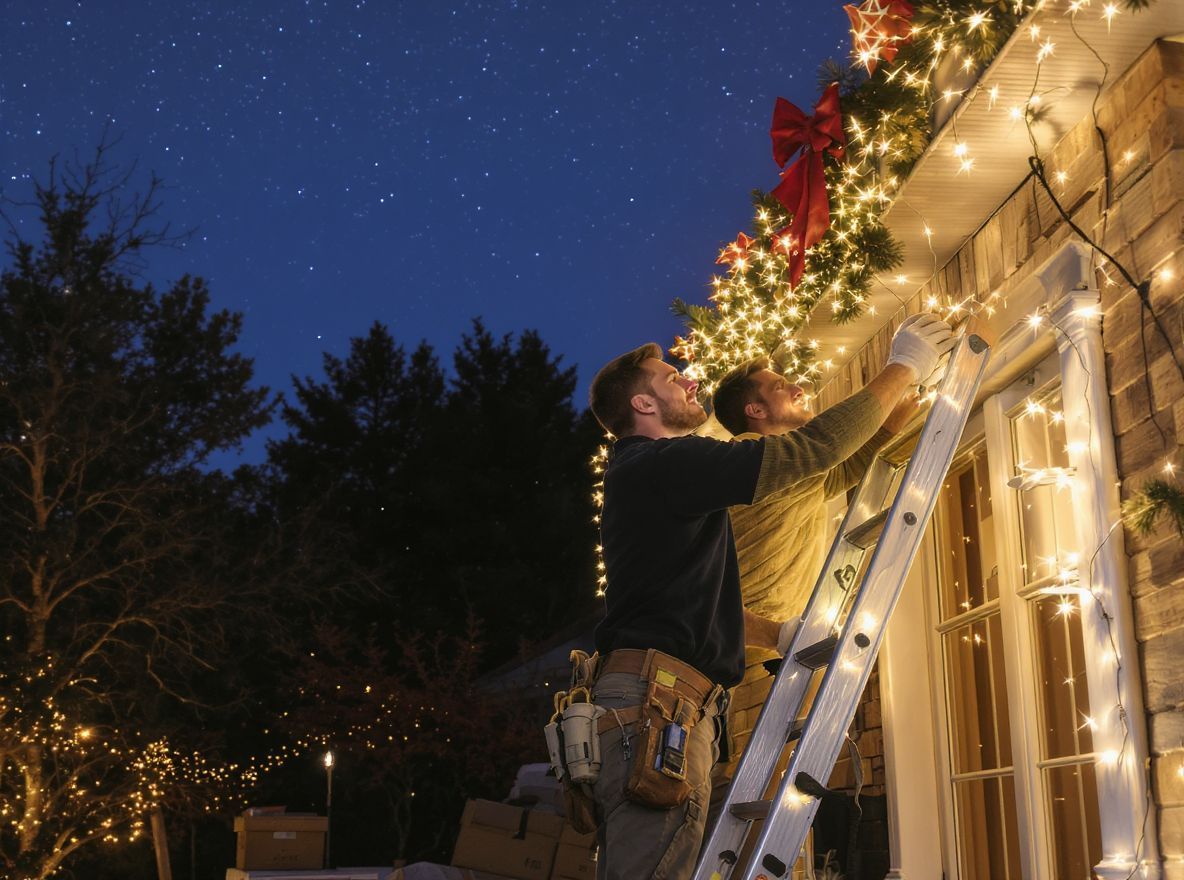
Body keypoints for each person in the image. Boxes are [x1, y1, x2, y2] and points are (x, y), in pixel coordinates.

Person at [583, 312, 955, 879]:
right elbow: (805, 453)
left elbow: (826, 465)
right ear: (642, 405)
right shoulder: (663, 462)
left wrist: (894, 414)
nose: (689, 380)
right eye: (671, 377)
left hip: (670, 699)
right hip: (658, 703)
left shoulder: (658, 474)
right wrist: (903, 366)